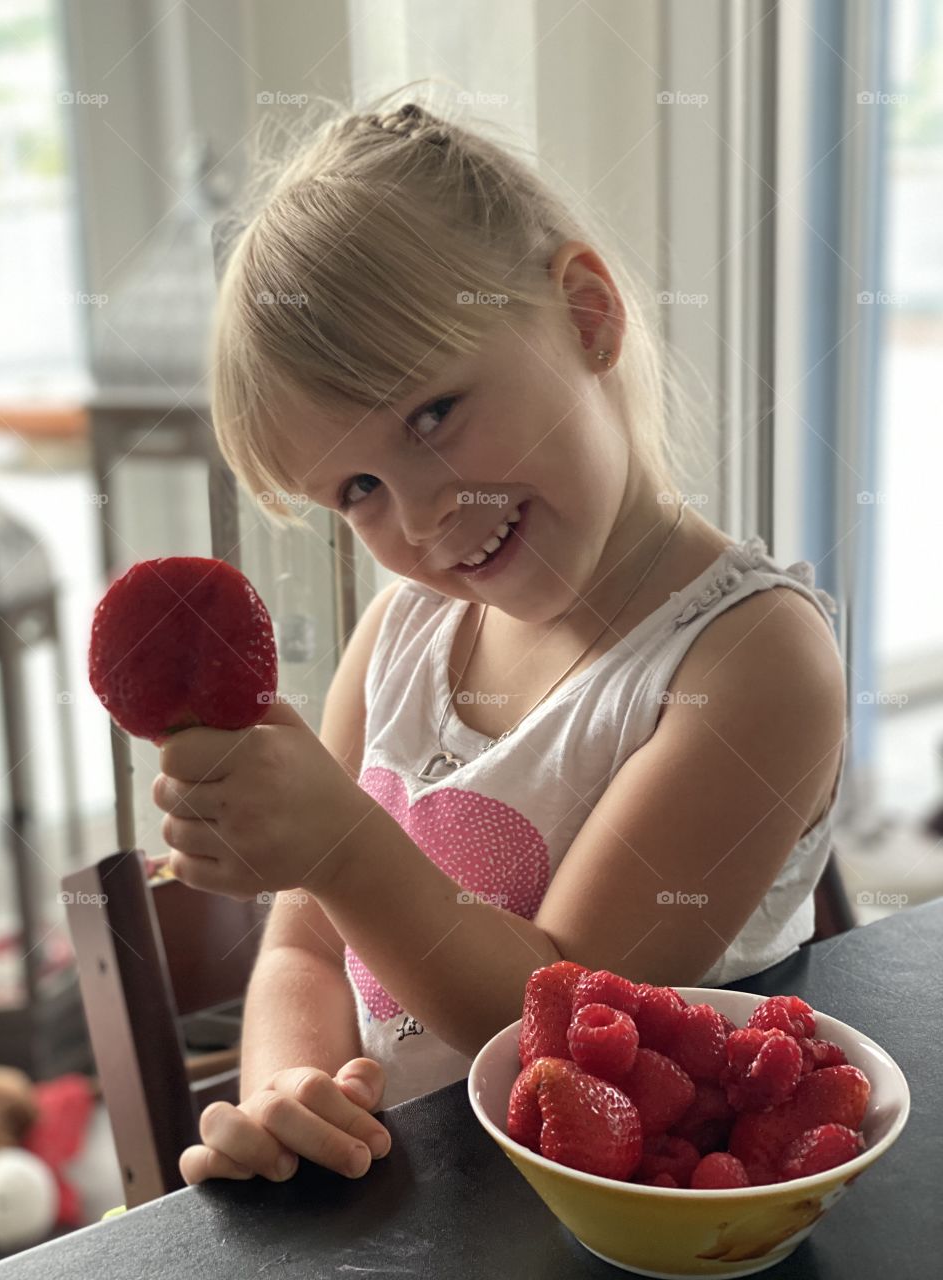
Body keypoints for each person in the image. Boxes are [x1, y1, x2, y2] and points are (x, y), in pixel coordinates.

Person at [173, 89, 847, 1188]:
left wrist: (338, 839)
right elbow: (302, 944)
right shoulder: (403, 631)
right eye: (358, 488)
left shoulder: (751, 662)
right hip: (412, 1212)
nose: (425, 512)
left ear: (585, 315)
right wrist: (288, 1089)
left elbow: (559, 1020)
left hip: (617, 1234)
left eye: (434, 413)